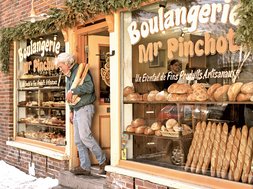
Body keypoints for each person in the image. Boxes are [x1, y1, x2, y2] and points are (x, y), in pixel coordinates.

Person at [55, 53, 107, 175]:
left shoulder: (80, 71)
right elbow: (70, 97)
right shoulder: (68, 75)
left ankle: (103, 160)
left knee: (85, 137)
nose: (60, 68)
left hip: (85, 108)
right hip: (77, 110)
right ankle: (85, 167)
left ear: (67, 64)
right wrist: (71, 111)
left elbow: (90, 87)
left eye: (61, 65)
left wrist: (73, 90)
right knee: (78, 140)